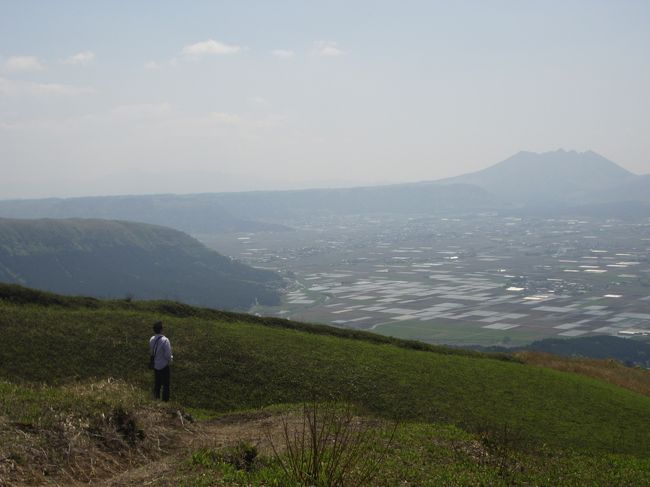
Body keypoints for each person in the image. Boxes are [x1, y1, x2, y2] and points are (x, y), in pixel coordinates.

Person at [149, 321, 173, 401]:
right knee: (166, 385)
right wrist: (170, 360)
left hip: (156, 365)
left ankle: (156, 400)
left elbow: (152, 352)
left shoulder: (152, 339)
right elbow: (168, 354)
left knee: (157, 384)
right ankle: (165, 402)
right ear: (161, 329)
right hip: (164, 366)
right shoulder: (165, 340)